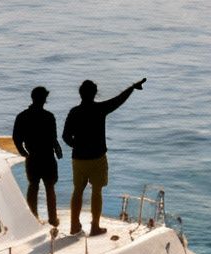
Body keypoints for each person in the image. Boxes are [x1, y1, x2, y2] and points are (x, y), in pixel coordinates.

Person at [62, 76, 145, 236]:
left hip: (78, 159)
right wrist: (133, 87)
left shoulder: (74, 112)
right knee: (97, 191)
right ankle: (95, 227)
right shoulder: (100, 109)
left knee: (77, 191)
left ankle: (74, 226)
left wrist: (77, 145)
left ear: (80, 94)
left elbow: (65, 136)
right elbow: (118, 100)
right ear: (95, 94)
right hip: (97, 158)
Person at [11, 86, 62, 227]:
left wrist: (23, 152)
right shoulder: (49, 117)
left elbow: (16, 138)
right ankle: (53, 219)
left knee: (33, 186)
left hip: (32, 156)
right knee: (50, 188)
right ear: (44, 99)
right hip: (47, 157)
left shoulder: (22, 116)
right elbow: (53, 139)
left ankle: (33, 219)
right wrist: (58, 151)